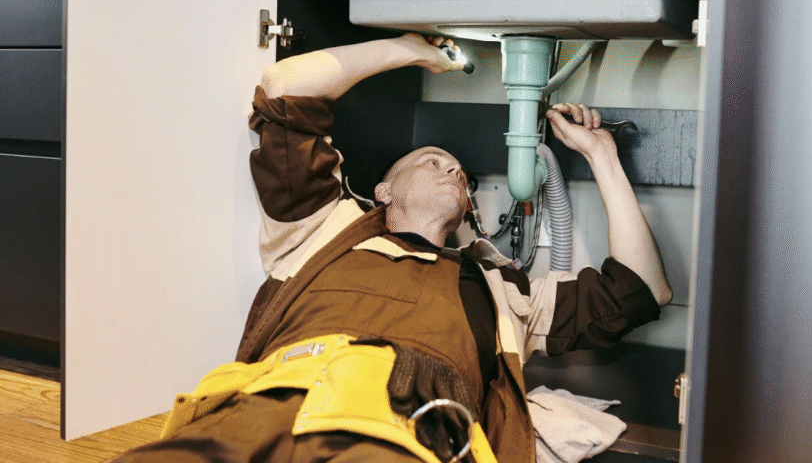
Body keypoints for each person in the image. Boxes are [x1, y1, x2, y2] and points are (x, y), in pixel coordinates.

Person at [112, 33, 672, 463]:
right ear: (382, 190)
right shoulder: (323, 227)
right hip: (267, 405)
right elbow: (285, 86)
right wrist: (409, 50)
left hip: (411, 427)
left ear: (469, 210)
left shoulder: (502, 290)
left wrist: (601, 154)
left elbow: (643, 291)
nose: (453, 168)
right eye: (432, 160)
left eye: (460, 173)